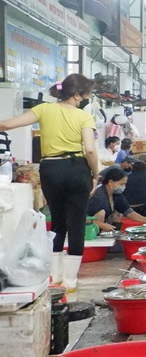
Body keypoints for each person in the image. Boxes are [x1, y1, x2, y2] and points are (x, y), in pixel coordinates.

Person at [0, 74, 99, 291]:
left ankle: (55, 277)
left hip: (51, 168)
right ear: (77, 95)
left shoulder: (44, 109)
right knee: (76, 223)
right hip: (77, 168)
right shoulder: (84, 117)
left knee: (57, 221)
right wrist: (95, 173)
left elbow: (7, 124)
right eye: (87, 94)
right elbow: (90, 149)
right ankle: (71, 281)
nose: (87, 98)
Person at [88, 167, 146, 232]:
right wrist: (102, 225)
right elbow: (86, 218)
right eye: (121, 184)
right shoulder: (98, 196)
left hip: (103, 225)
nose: (123, 187)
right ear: (111, 182)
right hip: (89, 227)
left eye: (124, 184)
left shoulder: (116, 194)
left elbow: (128, 212)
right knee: (102, 212)